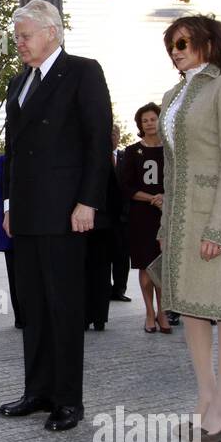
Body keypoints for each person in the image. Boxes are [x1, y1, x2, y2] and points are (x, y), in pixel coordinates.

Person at [0, 0, 112, 432]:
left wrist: (88, 202)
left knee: (64, 306)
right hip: (25, 214)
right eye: (17, 36)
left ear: (52, 32)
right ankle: (38, 391)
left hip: (66, 212)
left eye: (25, 35)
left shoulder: (83, 71)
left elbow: (97, 140)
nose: (20, 42)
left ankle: (68, 399)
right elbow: (13, 154)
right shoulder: (17, 84)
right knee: (34, 305)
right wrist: (8, 205)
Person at [151, 15, 221, 442]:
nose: (175, 49)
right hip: (180, 218)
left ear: (208, 44)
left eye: (183, 42)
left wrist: (219, 228)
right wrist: (163, 224)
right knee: (191, 306)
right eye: (171, 44)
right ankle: (206, 397)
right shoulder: (173, 94)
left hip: (216, 215)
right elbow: (171, 170)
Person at [118, 102, 170, 333]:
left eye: (153, 119)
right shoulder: (132, 152)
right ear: (140, 124)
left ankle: (163, 312)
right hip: (142, 216)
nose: (149, 123)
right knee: (146, 266)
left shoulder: (170, 150)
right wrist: (151, 198)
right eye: (145, 120)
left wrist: (165, 198)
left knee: (163, 266)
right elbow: (125, 186)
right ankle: (149, 312)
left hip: (166, 215)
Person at [85, 125, 125, 330]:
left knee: (93, 271)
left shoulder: (85, 158)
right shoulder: (100, 160)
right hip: (96, 224)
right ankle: (95, 316)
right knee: (97, 272)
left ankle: (91, 317)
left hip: (97, 225)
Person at [0, 153, 22, 327]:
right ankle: (20, 316)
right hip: (10, 228)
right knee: (14, 275)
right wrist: (9, 212)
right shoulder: (4, 160)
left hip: (34, 228)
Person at [109, 126, 132, 303]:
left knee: (122, 257)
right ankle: (104, 290)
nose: (113, 137)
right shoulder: (98, 159)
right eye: (109, 134)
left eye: (115, 134)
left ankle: (119, 289)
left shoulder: (126, 157)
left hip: (124, 218)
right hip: (104, 217)